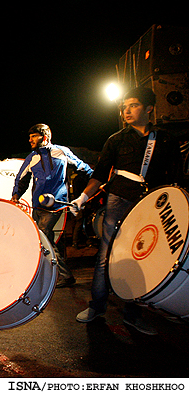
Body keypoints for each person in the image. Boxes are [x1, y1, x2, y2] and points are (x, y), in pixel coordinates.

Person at [72, 87, 181, 335]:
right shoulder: (116, 139)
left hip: (151, 205)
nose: (126, 111)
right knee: (106, 255)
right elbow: (100, 175)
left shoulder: (166, 139)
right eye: (124, 107)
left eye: (132, 105)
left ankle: (133, 315)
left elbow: (174, 178)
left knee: (143, 257)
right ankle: (97, 307)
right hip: (118, 200)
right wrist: (83, 196)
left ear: (149, 108)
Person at [11, 124, 93, 288]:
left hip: (56, 204)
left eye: (34, 136)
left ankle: (65, 275)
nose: (30, 140)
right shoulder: (31, 157)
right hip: (37, 206)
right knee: (47, 239)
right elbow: (21, 179)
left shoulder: (62, 151)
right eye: (30, 137)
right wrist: (15, 196)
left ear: (45, 137)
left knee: (43, 238)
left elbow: (83, 167)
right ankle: (49, 273)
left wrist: (96, 182)